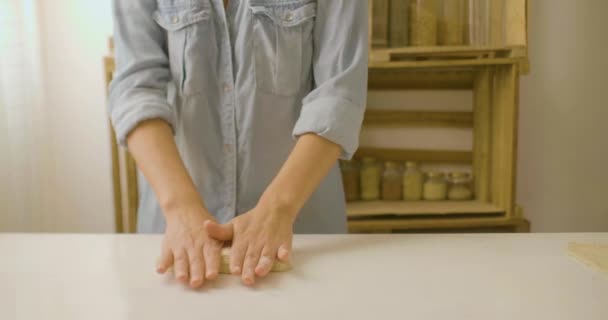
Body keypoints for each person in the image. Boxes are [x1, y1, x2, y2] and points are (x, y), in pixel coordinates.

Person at [109, 0, 368, 288]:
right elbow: (136, 91)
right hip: (177, 236)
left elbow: (339, 95)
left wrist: (277, 209)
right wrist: (180, 207)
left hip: (300, 238)